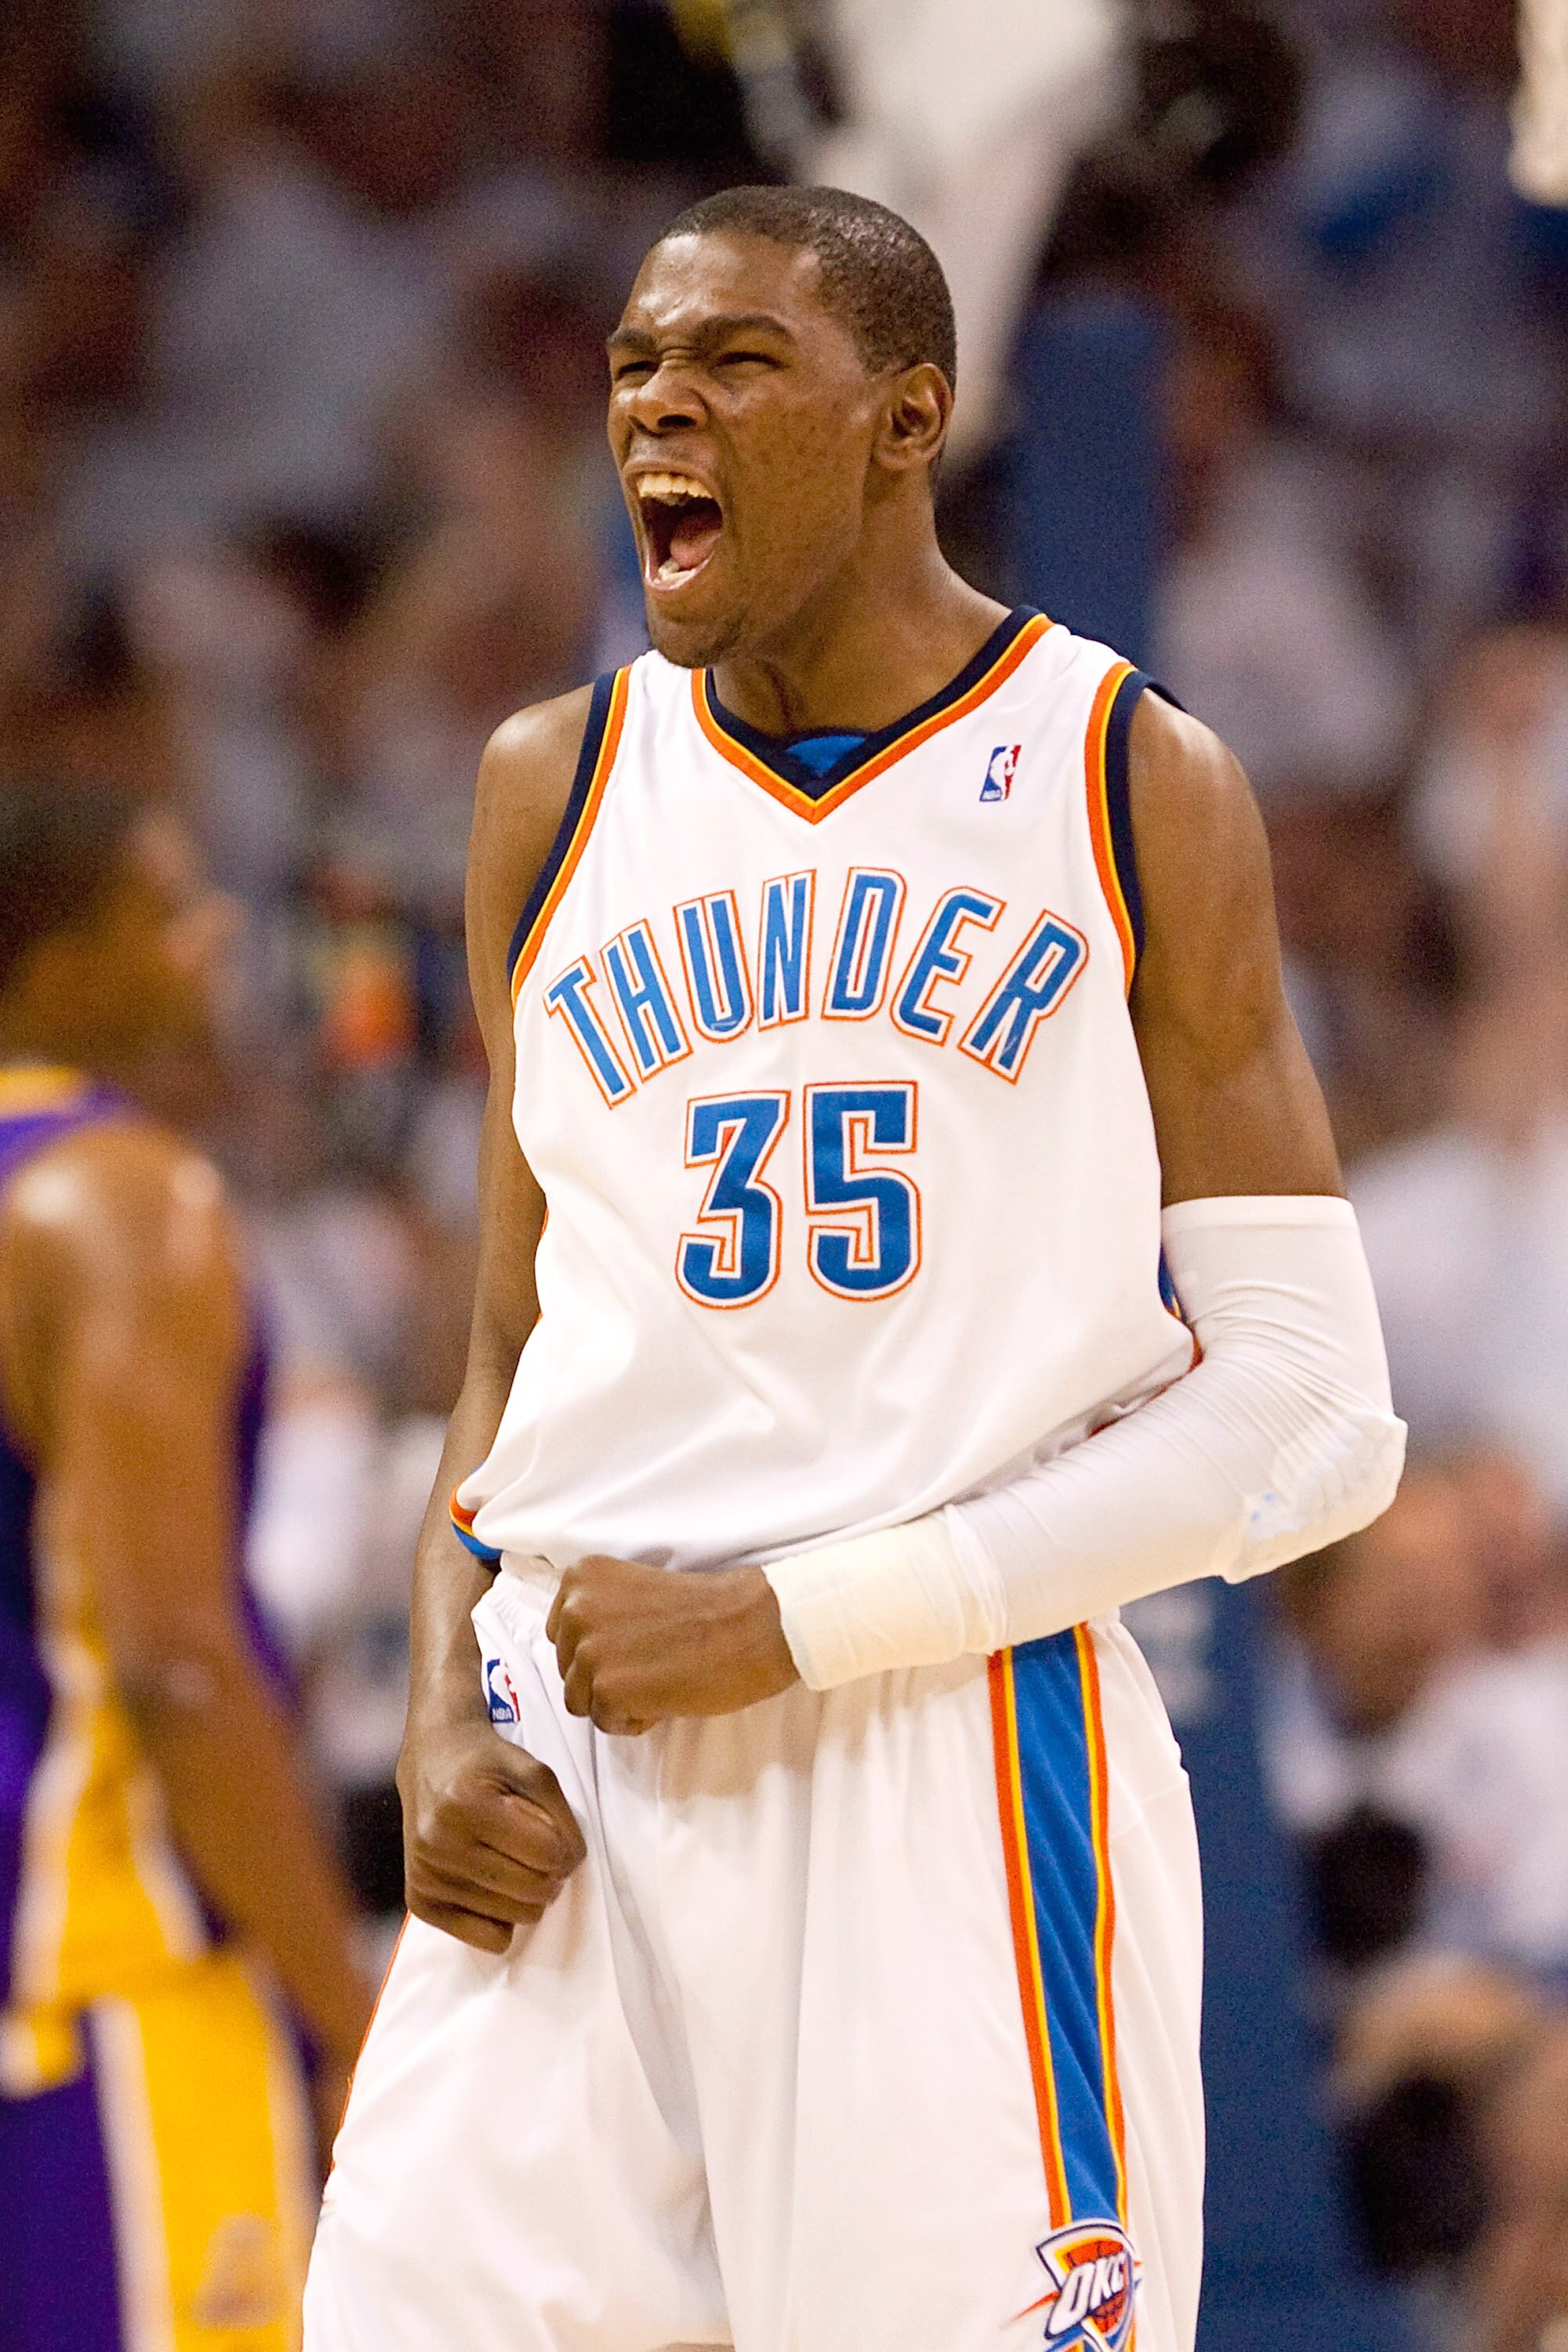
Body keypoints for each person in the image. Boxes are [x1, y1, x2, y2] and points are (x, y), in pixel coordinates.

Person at [306, 186, 1403, 2352]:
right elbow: (509, 1351)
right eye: (635, 365)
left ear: (909, 420)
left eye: (731, 365)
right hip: (573, 1772)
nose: (658, 410)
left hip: (943, 1765)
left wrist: (800, 1619)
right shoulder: (553, 784)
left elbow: (1311, 1414)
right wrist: (446, 1708)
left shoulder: (1124, 778)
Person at [0, 781, 372, 2347]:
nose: (213, 936)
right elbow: (175, 1658)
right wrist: (344, 2019)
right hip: (107, 1986)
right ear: (51, 959)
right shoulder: (117, 1198)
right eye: (165, 907)